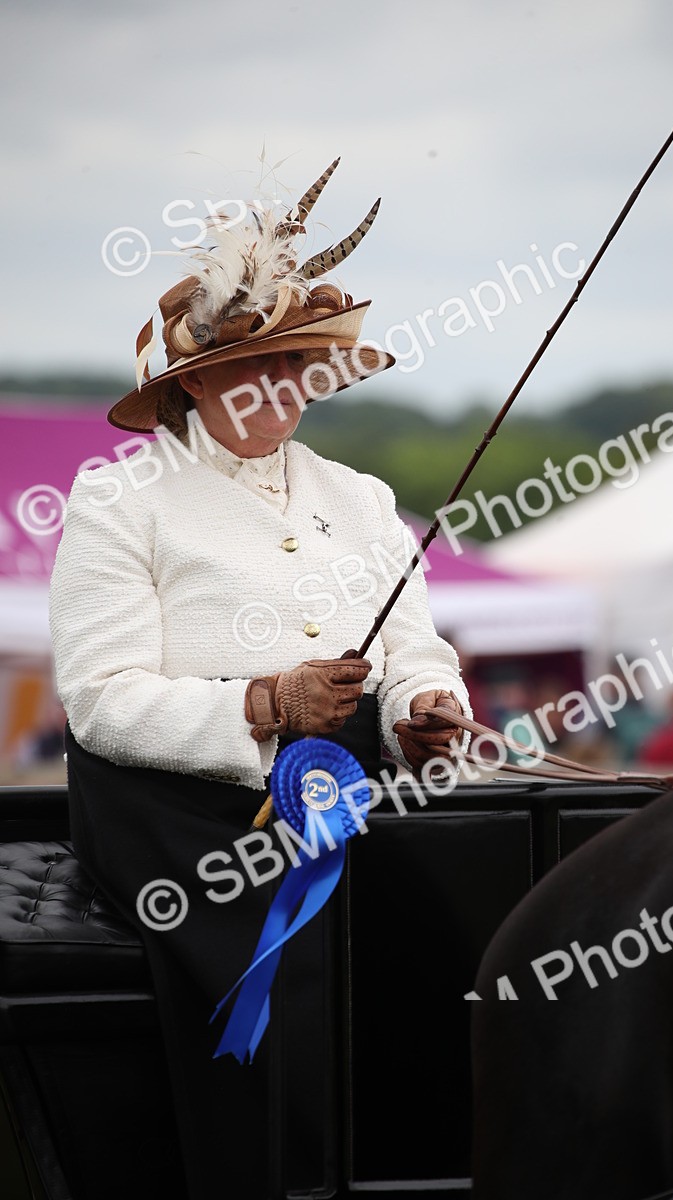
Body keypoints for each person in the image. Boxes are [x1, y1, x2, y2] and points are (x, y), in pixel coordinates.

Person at [48, 161, 470, 1199]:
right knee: (272, 996)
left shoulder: (363, 499)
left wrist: (425, 707)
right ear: (191, 382)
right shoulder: (117, 503)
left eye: (294, 371)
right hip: (178, 813)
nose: (277, 394)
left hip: (353, 795)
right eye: (250, 372)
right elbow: (100, 700)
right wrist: (262, 704)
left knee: (454, 947)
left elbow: (413, 642)